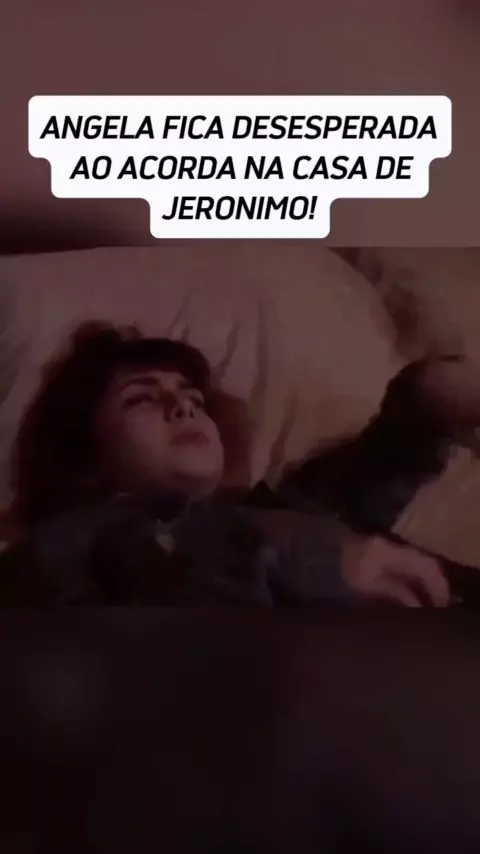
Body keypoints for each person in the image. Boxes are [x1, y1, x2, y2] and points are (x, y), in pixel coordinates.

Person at [0, 322, 472, 607]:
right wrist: (318, 564)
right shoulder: (59, 549)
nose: (183, 408)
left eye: (194, 399)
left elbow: (373, 467)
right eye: (141, 398)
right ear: (84, 454)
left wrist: (427, 397)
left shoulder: (281, 506)